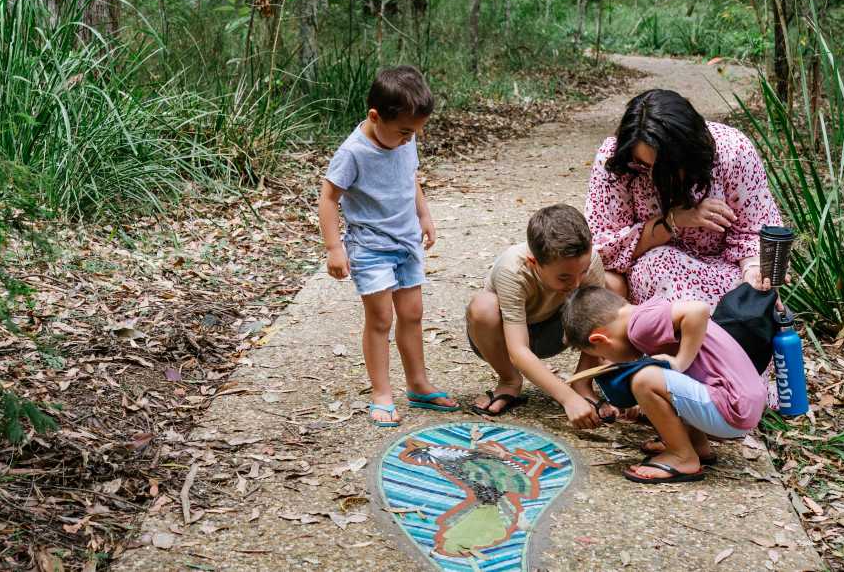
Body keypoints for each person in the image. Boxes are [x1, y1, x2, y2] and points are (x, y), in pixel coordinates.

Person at [317, 66, 460, 427]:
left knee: (412, 314)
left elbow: (410, 178)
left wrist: (424, 215)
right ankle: (382, 392)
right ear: (375, 117)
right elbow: (329, 196)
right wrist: (335, 248)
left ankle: (418, 383)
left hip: (406, 242)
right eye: (406, 131)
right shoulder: (354, 152)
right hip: (369, 246)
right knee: (381, 318)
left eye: (417, 130)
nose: (413, 138)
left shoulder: (404, 139)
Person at [584, 89, 786, 305]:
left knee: (750, 296)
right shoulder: (616, 160)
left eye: (665, 168)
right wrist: (673, 221)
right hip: (651, 273)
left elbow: (756, 231)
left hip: (724, 274)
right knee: (657, 266)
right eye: (643, 165)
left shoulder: (733, 150)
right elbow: (602, 250)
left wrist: (753, 269)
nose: (653, 176)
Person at [560, 285, 766, 483]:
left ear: (600, 339)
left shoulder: (639, 326)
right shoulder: (644, 315)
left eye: (603, 357)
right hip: (741, 405)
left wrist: (680, 362)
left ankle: (682, 457)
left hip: (732, 408)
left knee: (644, 380)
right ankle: (696, 445)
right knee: (663, 376)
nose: (608, 361)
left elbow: (698, 310)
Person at [462, 204, 628, 425]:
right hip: (505, 338)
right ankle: (509, 381)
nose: (576, 283)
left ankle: (583, 383)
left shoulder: (590, 260)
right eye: (564, 277)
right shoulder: (512, 269)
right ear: (534, 262)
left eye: (583, 271)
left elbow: (597, 318)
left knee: (612, 288)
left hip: (559, 330)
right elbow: (518, 349)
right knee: (483, 306)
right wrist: (567, 398)